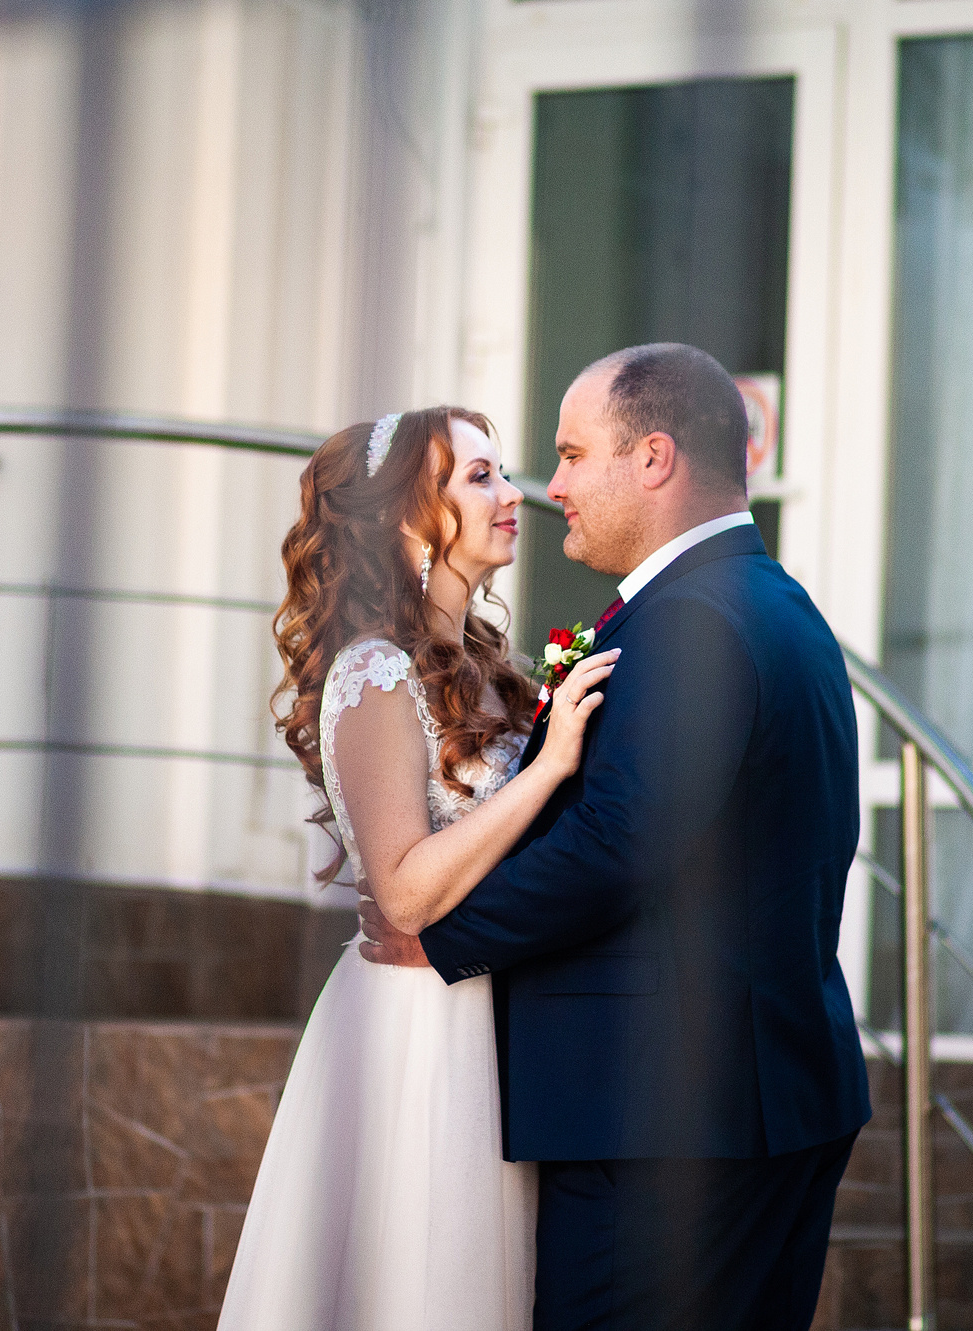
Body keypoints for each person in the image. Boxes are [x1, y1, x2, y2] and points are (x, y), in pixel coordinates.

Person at [369, 343, 871, 1331]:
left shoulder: (691, 625)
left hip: (667, 1122)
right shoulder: (775, 605)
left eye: (568, 454)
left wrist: (437, 939)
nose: (548, 488)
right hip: (760, 1095)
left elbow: (618, 843)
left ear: (652, 458)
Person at [217, 405, 619, 1331]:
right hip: (413, 1031)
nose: (515, 493)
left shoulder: (486, 665)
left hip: (496, 1012)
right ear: (406, 517)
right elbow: (401, 885)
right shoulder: (372, 671)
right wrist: (551, 764)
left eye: (504, 472)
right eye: (480, 477)